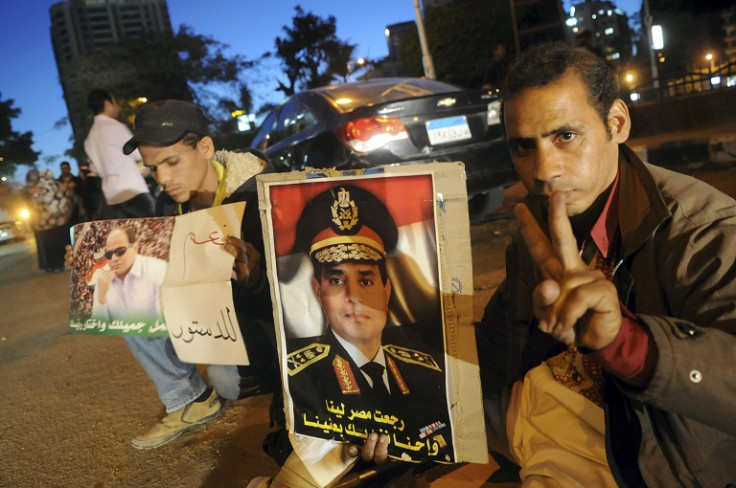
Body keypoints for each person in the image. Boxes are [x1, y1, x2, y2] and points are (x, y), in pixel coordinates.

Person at [476, 42, 736, 486]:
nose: (544, 170)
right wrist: (409, 409)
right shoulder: (538, 230)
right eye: (523, 146)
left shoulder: (705, 232)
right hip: (538, 446)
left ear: (616, 122)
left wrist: (627, 342)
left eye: (565, 136)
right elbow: (497, 353)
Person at [251, 185, 452, 488]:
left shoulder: (430, 367)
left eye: (366, 279)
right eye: (336, 279)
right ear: (318, 291)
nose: (354, 297)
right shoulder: (301, 374)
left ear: (387, 290)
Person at [117, 99, 280, 450]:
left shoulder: (262, 195)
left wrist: (254, 281)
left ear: (205, 148)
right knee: (120, 290)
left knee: (229, 384)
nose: (163, 179)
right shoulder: (167, 206)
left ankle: (265, 373)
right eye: (152, 168)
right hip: (205, 316)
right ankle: (187, 397)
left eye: (172, 162)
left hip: (261, 323)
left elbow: (297, 304)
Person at [83, 89, 155, 220]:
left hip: (111, 197)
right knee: (157, 231)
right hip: (133, 190)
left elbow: (95, 170)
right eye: (114, 101)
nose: (117, 106)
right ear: (107, 103)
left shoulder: (89, 138)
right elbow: (140, 155)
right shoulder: (115, 127)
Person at [91, 226, 167, 324]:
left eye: (120, 251)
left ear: (135, 248)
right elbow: (98, 325)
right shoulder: (102, 280)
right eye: (109, 255)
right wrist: (101, 297)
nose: (114, 258)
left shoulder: (157, 270)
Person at [25, 169, 71, 272]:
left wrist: (31, 190)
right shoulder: (58, 184)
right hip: (61, 220)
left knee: (50, 247)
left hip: (46, 223)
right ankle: (62, 265)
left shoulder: (44, 185)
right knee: (61, 245)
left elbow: (35, 193)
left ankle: (54, 266)